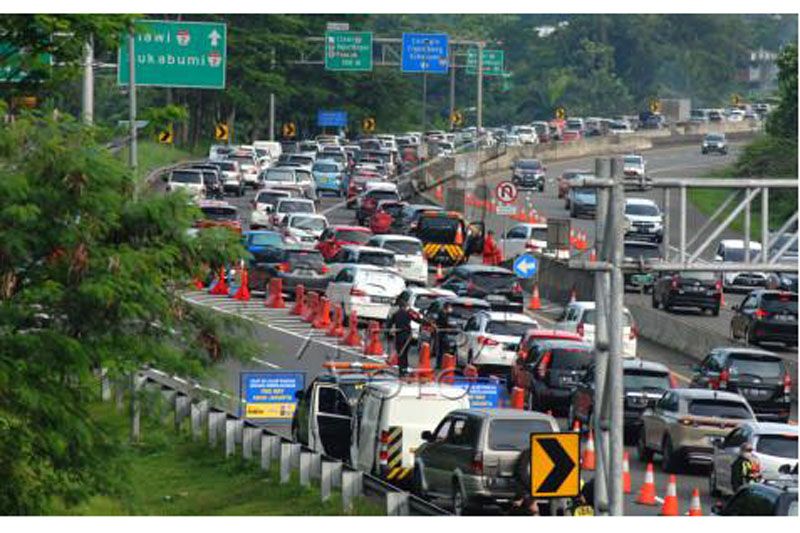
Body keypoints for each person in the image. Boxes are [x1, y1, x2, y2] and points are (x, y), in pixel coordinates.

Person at [385, 300, 421, 377]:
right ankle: (404, 369)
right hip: (407, 336)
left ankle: (402, 370)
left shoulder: (395, 314)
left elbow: (389, 325)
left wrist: (388, 335)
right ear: (405, 307)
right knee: (405, 353)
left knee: (401, 353)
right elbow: (418, 320)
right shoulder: (408, 314)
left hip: (399, 336)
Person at [433, 302, 453, 368]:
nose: (451, 309)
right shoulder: (442, 314)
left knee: (444, 349)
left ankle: (441, 363)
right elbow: (444, 323)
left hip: (443, 333)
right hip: (441, 333)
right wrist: (449, 326)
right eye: (450, 307)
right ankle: (440, 364)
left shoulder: (445, 314)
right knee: (443, 349)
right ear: (446, 307)